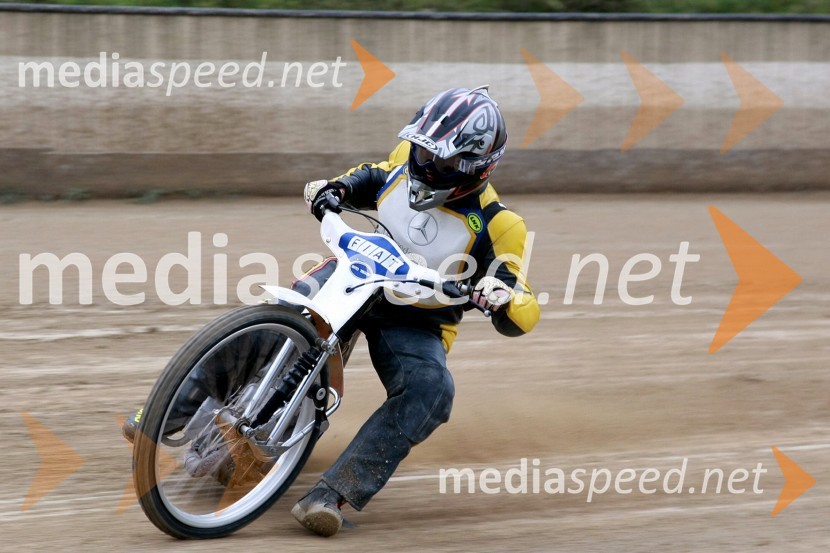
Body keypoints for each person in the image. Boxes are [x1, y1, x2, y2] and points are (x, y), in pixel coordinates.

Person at [291, 86, 540, 537]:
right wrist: (339, 188)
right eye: (424, 151)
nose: (425, 165)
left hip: (418, 319)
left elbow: (523, 302)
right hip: (358, 275)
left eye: (442, 163)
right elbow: (375, 177)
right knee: (287, 315)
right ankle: (180, 407)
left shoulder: (502, 224)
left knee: (432, 389)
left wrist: (500, 297)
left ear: (475, 167)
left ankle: (332, 493)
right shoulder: (407, 154)